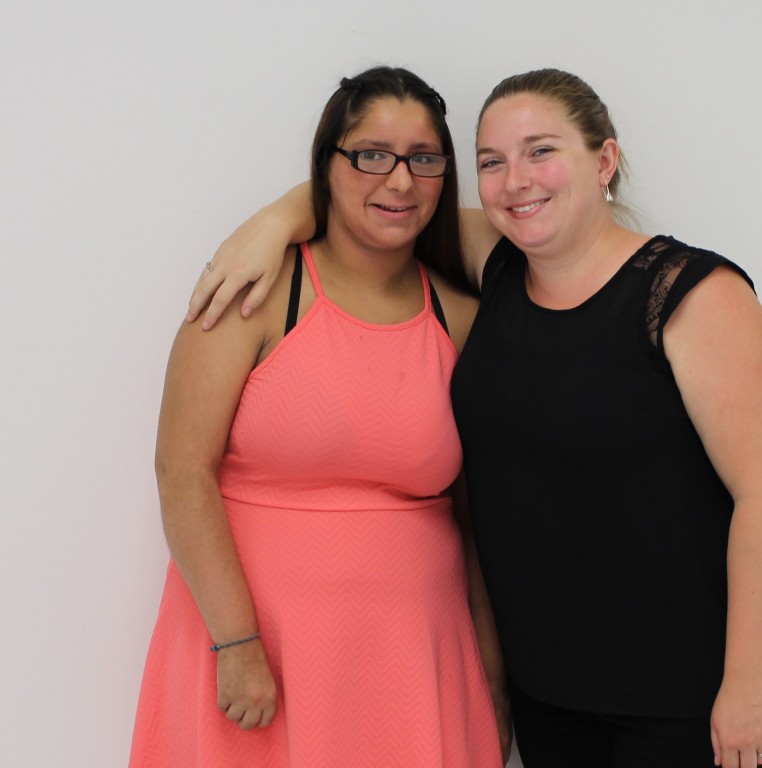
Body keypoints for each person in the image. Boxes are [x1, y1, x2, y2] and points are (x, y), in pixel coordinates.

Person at [188, 68, 762, 768]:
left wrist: (748, 681)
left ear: (603, 160)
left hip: (685, 681)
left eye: (541, 151)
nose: (516, 181)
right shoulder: (500, 268)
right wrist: (272, 223)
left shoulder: (692, 295)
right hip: (551, 684)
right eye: (491, 162)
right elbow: (380, 199)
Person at [131, 66, 507, 767]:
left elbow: (471, 519)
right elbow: (181, 472)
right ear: (326, 164)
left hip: (413, 659)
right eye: (371, 155)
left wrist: (491, 675)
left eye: (423, 159)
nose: (400, 181)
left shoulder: (461, 317)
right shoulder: (255, 291)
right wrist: (237, 642)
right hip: (254, 657)